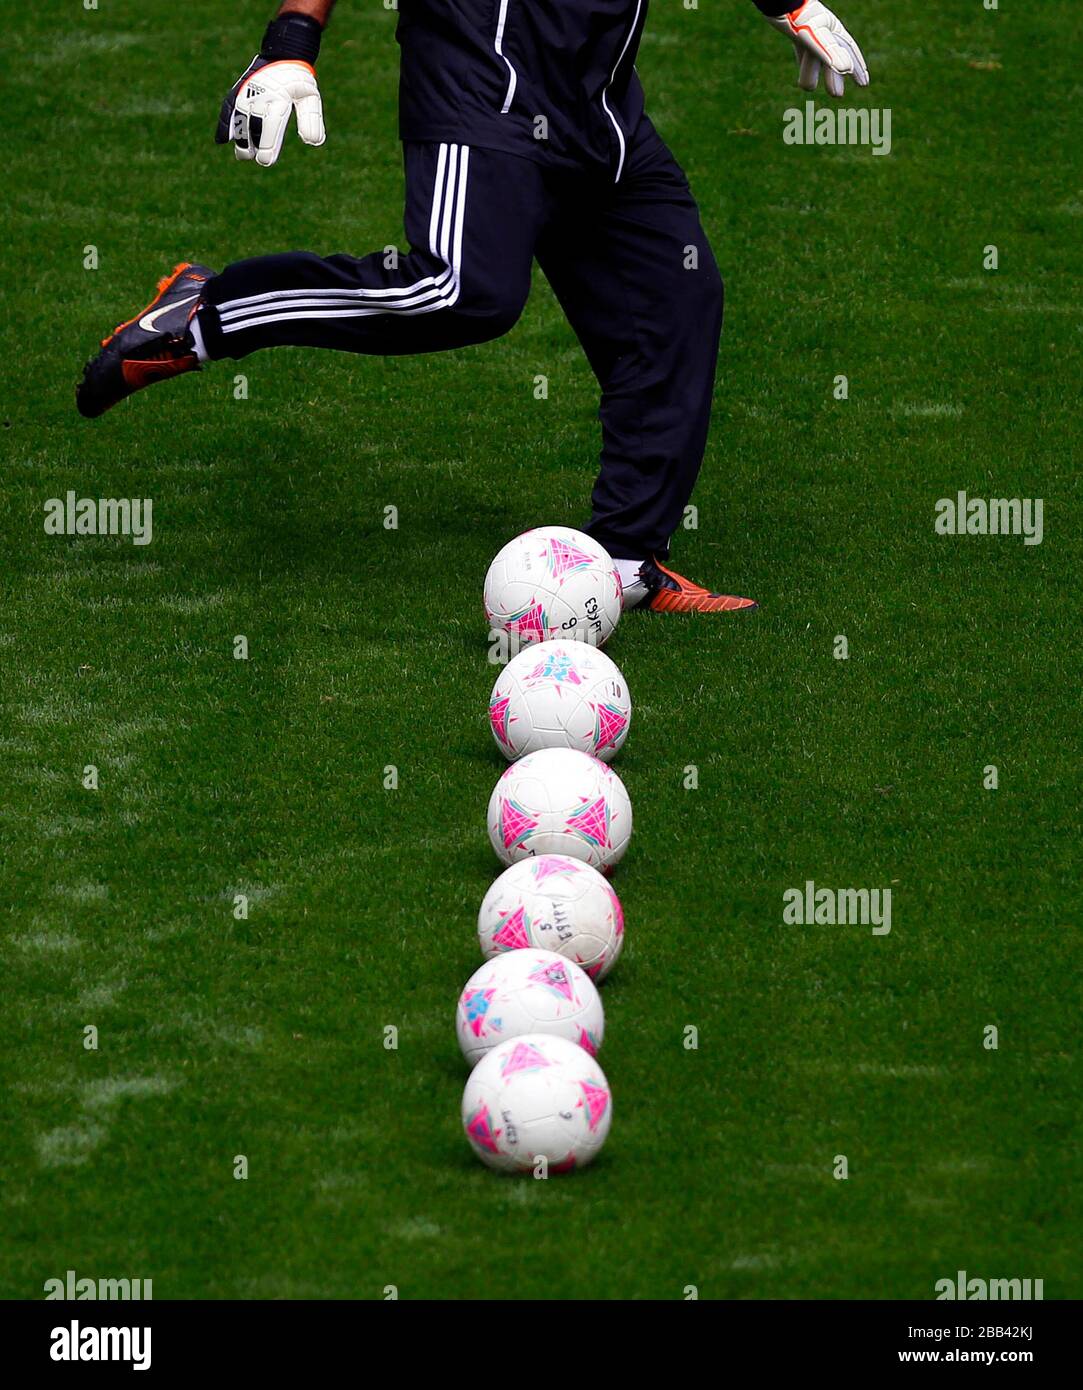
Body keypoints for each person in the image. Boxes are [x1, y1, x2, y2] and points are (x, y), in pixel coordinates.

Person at [76, 0, 867, 613]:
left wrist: (784, 4)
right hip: (479, 79)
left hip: (595, 101)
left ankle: (622, 559)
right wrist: (291, 40)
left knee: (673, 294)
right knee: (460, 289)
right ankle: (208, 312)